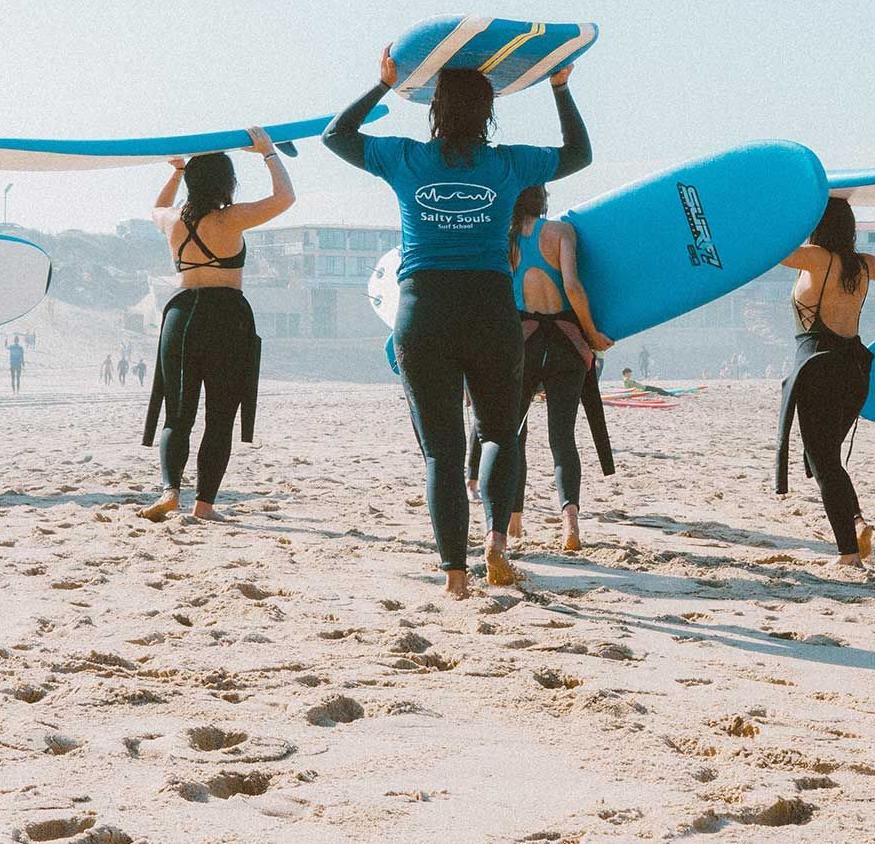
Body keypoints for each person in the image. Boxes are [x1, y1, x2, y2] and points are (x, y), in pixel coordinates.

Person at [323, 47, 590, 597]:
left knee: (442, 451)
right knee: (499, 432)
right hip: (491, 307)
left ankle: (454, 576)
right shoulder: (509, 164)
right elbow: (579, 154)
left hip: (424, 308)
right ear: (489, 111)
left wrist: (380, 85)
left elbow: (336, 136)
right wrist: (560, 88)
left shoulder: (405, 158)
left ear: (434, 108)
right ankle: (495, 540)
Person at [138, 132, 293, 522]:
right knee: (220, 416)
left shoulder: (173, 220)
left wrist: (175, 172)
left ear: (192, 182)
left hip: (180, 316)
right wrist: (269, 154)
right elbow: (285, 198)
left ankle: (170, 489)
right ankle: (204, 505)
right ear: (227, 183)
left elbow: (156, 207)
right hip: (225, 317)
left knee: (177, 414)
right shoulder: (232, 217)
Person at [776, 199, 875, 568]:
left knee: (824, 461)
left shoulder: (816, 258)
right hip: (854, 371)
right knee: (827, 458)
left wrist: (798, 209)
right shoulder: (860, 265)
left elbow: (776, 251)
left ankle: (849, 554)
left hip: (819, 369)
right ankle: (857, 521)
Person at [506, 186, 614, 551]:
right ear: (543, 200)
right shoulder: (562, 232)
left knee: (513, 434)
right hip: (566, 343)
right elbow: (572, 286)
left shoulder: (505, 240)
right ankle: (570, 525)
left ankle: (513, 518)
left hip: (524, 344)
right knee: (562, 438)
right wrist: (593, 333)